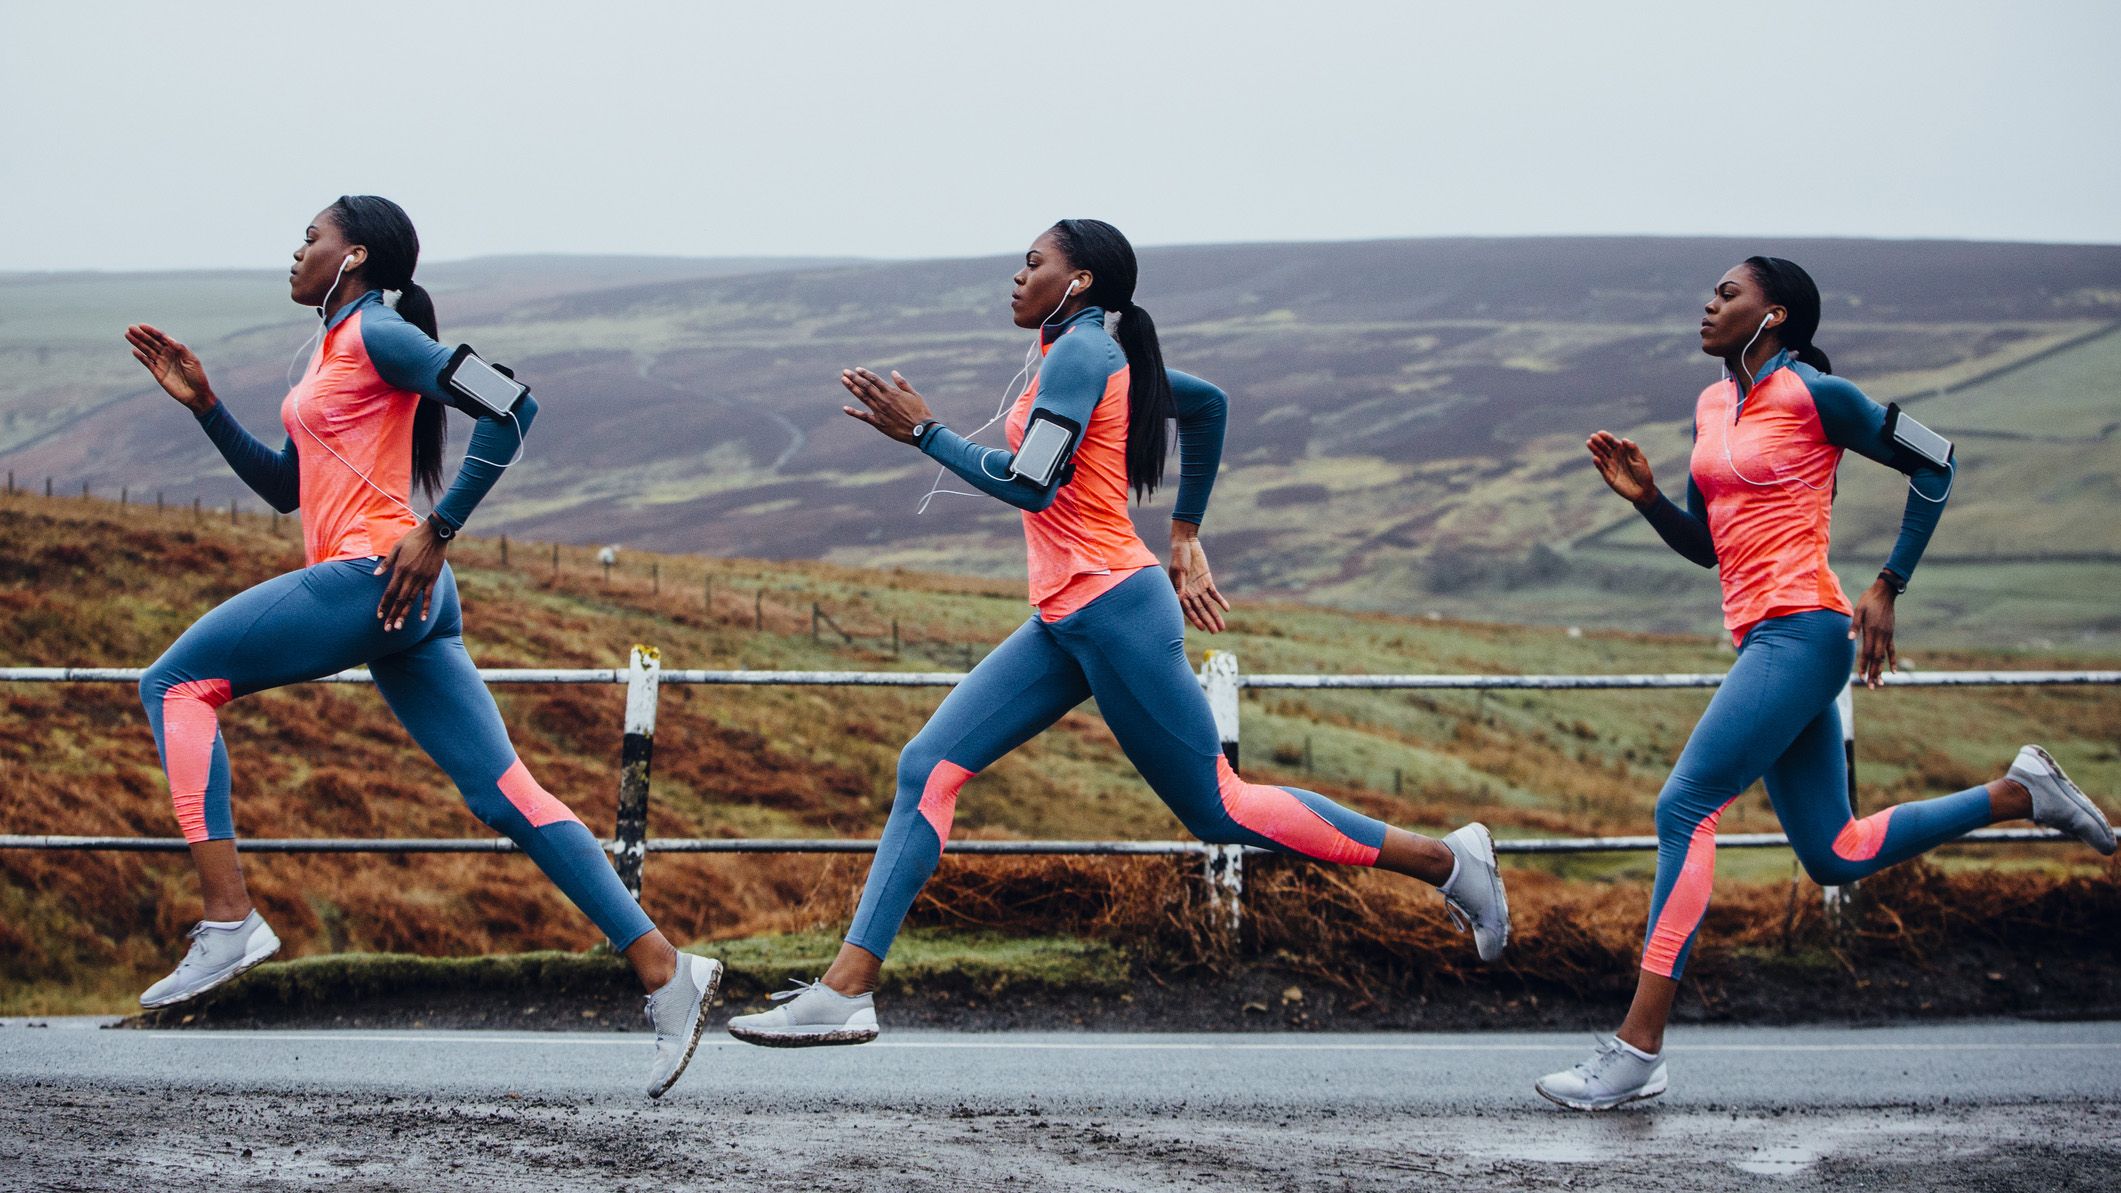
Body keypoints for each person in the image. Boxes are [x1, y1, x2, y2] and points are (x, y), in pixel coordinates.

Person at [726, 219, 1509, 1046]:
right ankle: (848, 988)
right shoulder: (1092, 353)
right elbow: (1207, 407)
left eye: (1033, 264)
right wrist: (1183, 533)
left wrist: (926, 433)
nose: (1016, 276)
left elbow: (1031, 486)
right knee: (926, 767)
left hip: (1114, 610)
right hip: (1068, 614)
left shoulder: (1083, 354)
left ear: (1081, 281)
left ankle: (1448, 862)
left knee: (1220, 810)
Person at [123, 196, 720, 1097]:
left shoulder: (381, 331)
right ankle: (666, 968)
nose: (296, 251)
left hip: (378, 577)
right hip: (404, 598)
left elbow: (512, 406)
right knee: (506, 792)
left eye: (311, 238)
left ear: (354, 254)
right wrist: (206, 406)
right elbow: (291, 489)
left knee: (175, 684)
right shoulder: (334, 347)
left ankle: (230, 918)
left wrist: (439, 528)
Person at [1538, 256, 2116, 1111]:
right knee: (1832, 852)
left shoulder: (1816, 396)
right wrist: (1648, 499)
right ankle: (2017, 792)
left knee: (1683, 808)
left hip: (1804, 631)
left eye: (1727, 293)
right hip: (1759, 637)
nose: (1708, 302)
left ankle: (1637, 1048)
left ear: (1773, 317)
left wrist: (1889, 584)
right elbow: (1710, 547)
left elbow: (1938, 460)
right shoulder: (1708, 405)